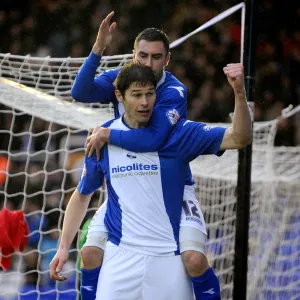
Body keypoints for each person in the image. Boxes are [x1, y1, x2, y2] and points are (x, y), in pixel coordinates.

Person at [49, 62, 251, 300]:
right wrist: (63, 247)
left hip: (168, 260)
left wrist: (239, 93)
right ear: (119, 96)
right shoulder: (101, 138)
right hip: (120, 258)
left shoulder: (178, 133)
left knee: (195, 259)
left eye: (149, 94)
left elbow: (240, 137)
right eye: (136, 95)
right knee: (90, 251)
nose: (145, 102)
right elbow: (83, 194)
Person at [70, 11, 226, 300]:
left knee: (193, 259)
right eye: (142, 56)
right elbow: (80, 91)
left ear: (167, 60)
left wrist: (107, 134)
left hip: (170, 185)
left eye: (156, 57)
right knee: (89, 253)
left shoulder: (173, 90)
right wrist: (98, 48)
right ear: (133, 54)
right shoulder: (123, 79)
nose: (148, 63)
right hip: (127, 183)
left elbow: (154, 138)